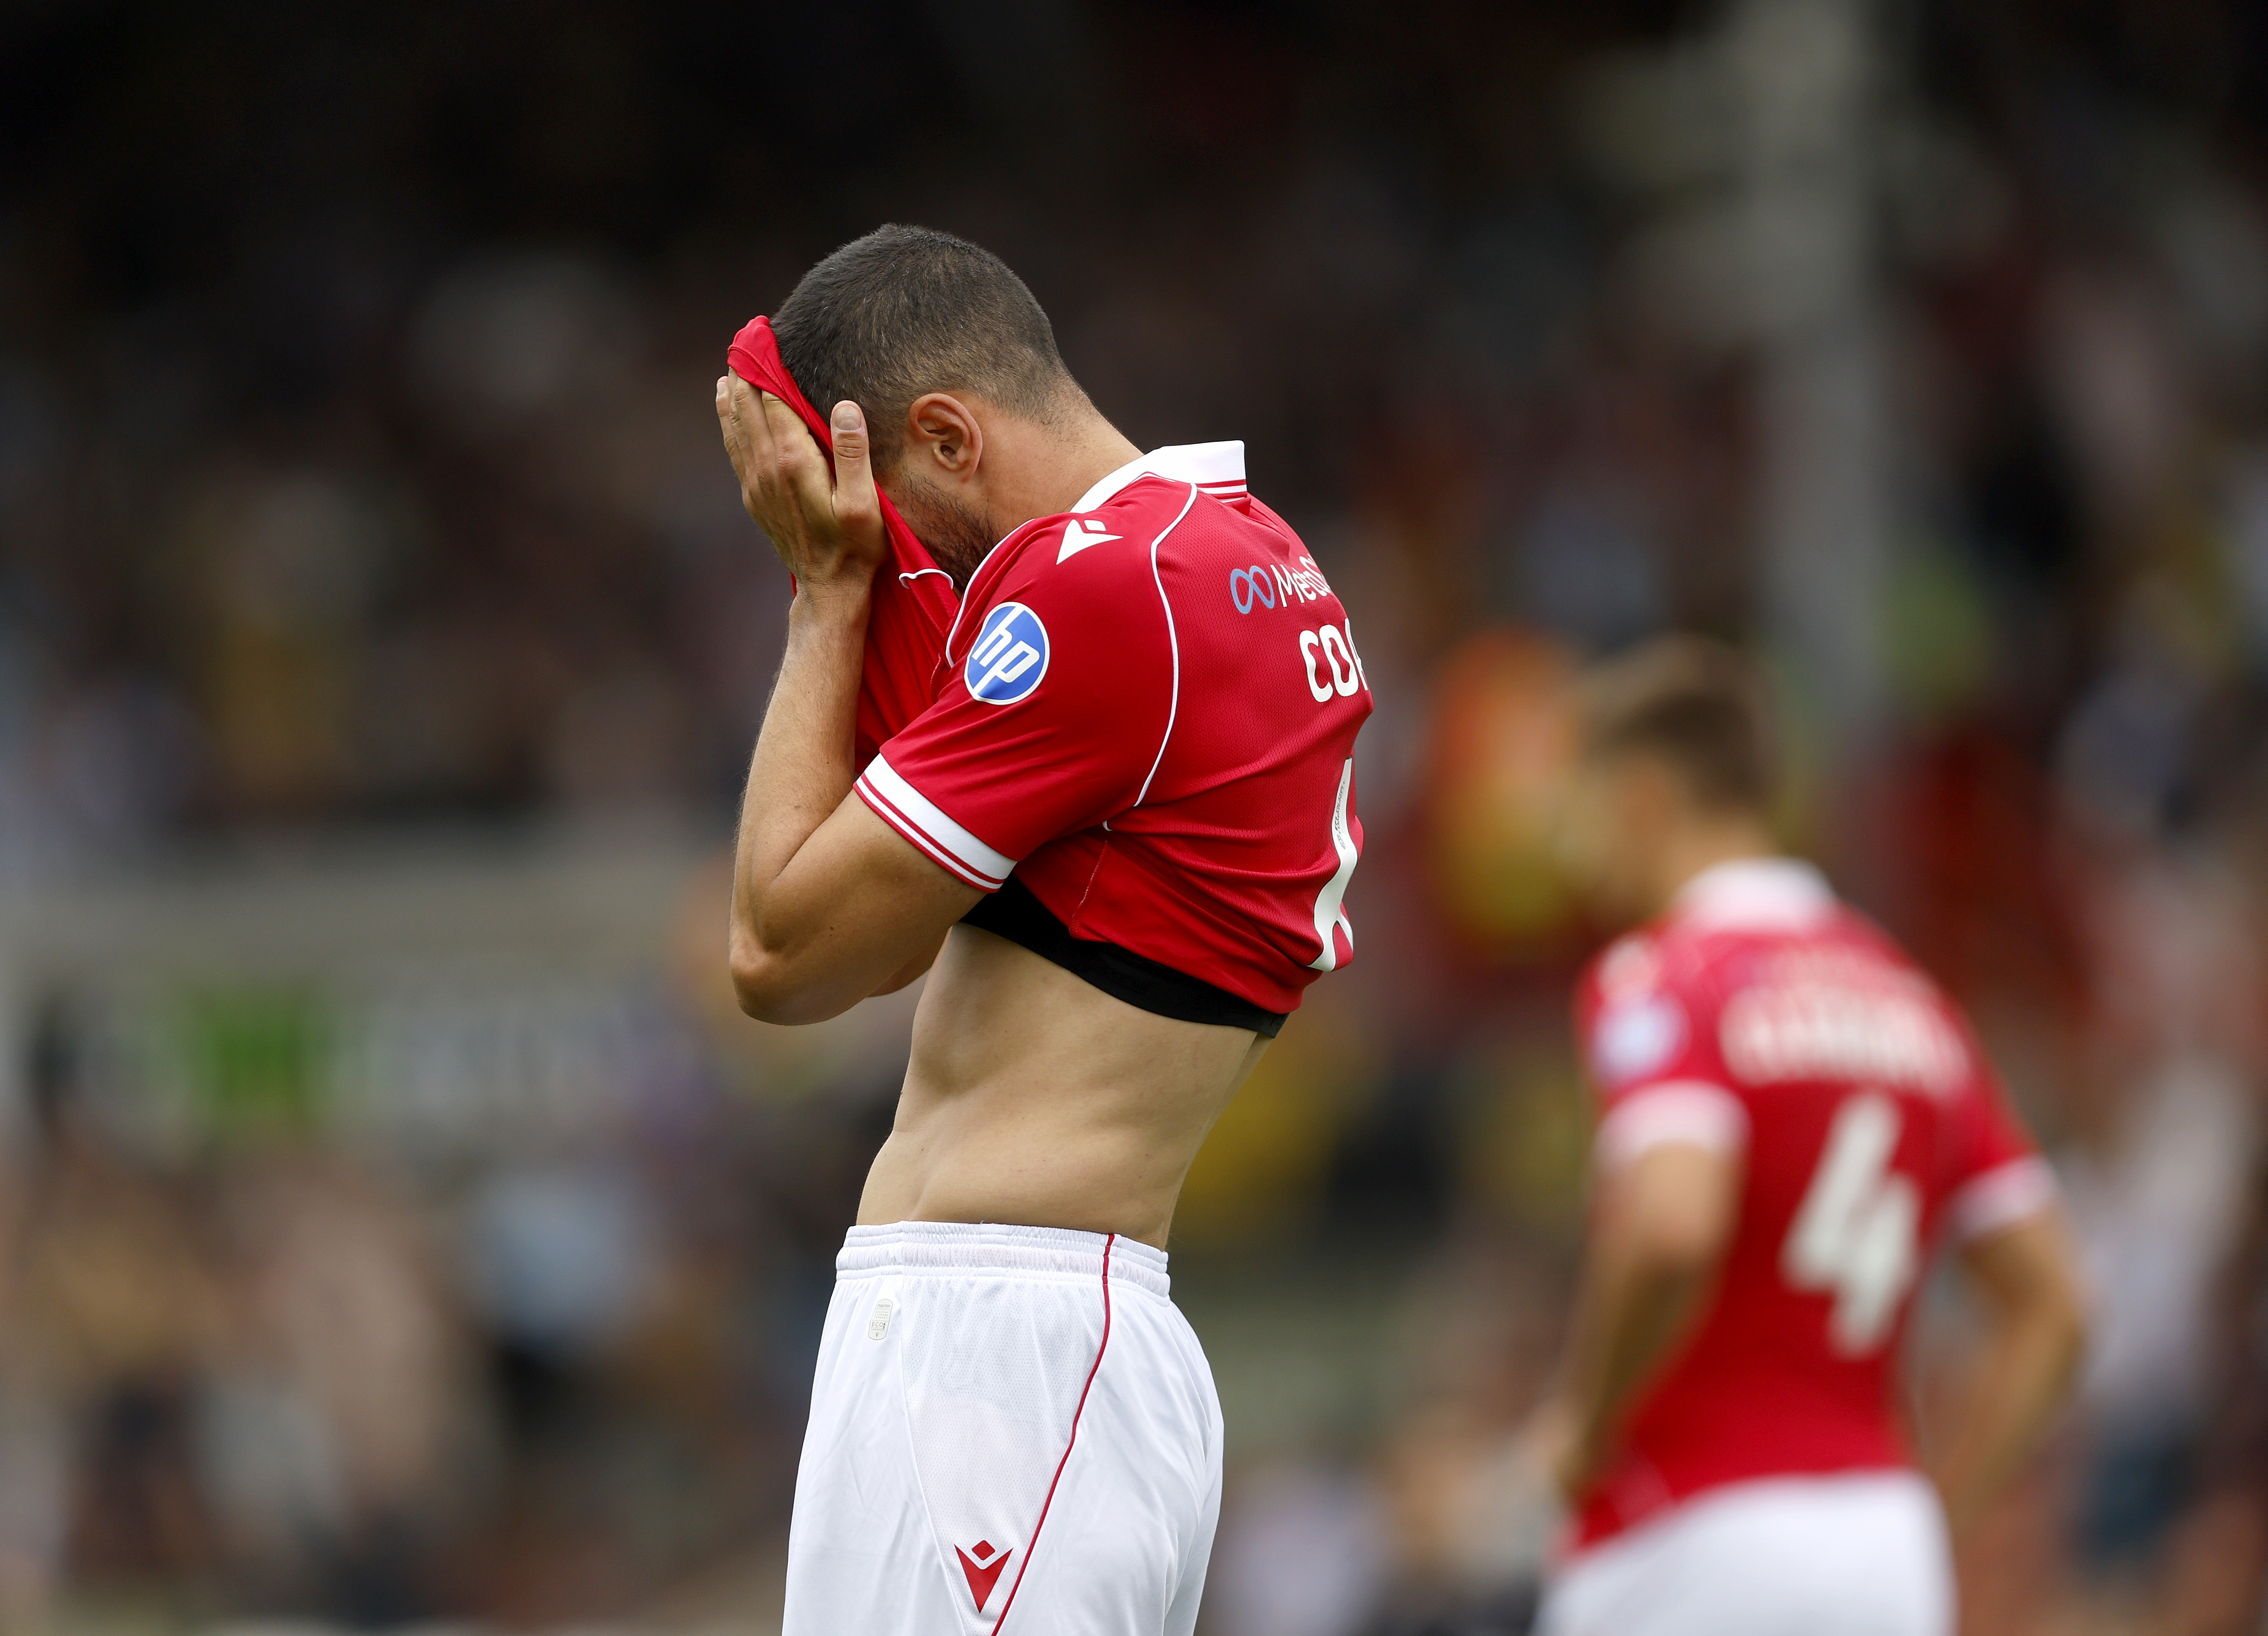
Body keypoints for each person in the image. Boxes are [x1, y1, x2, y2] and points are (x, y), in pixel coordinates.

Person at [714, 224, 1371, 1636]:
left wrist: (821, 598)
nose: (886, 550)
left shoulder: (1105, 589)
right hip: (1046, 1332)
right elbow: (879, 947)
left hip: (998, 1344)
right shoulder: (1234, 561)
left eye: (885, 507)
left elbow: (779, 952)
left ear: (949, 435)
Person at [1527, 637, 2085, 1636]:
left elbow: (1668, 1224)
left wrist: (1581, 1421)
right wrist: (1932, 1515)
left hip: (1689, 1531)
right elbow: (2054, 1308)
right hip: (1884, 1543)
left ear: (1644, 796)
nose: (1581, 849)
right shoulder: (1909, 998)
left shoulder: (1665, 977)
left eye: (1588, 806)